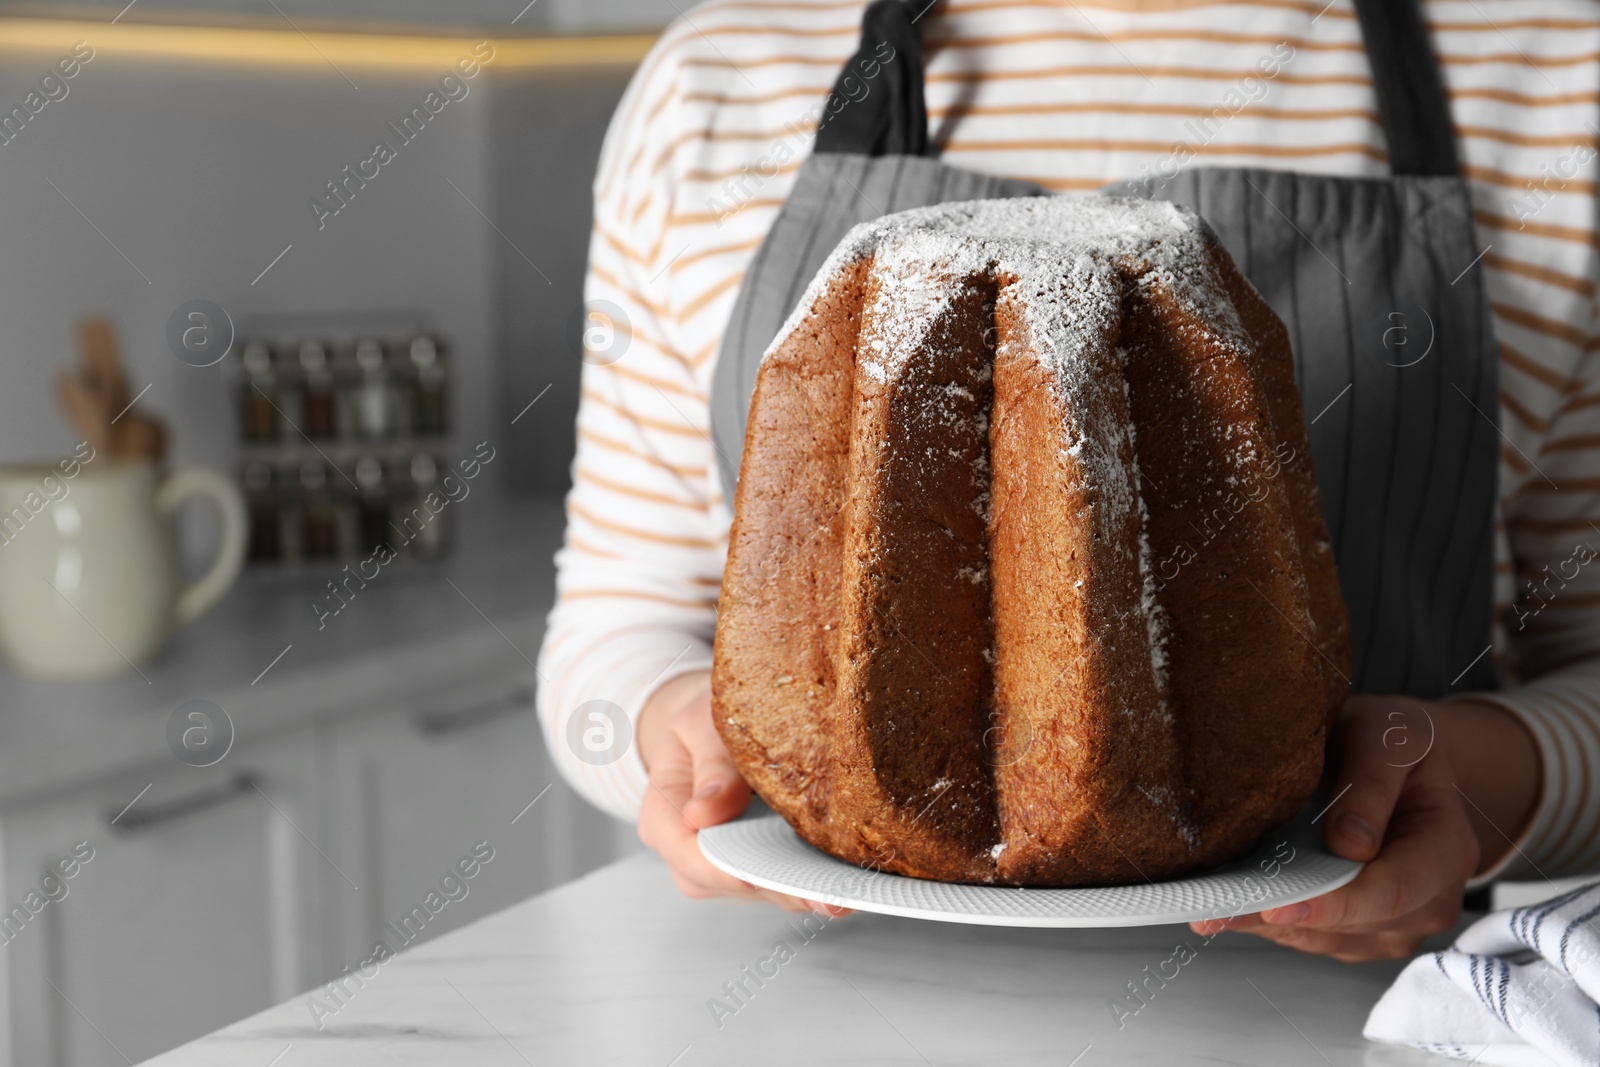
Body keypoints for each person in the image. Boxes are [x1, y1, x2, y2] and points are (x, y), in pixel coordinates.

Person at [537, 0, 1600, 959]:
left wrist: (1471, 777)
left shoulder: (1556, 73)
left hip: (1367, 1008)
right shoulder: (716, 84)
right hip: (818, 999)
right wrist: (677, 730)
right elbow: (617, 619)